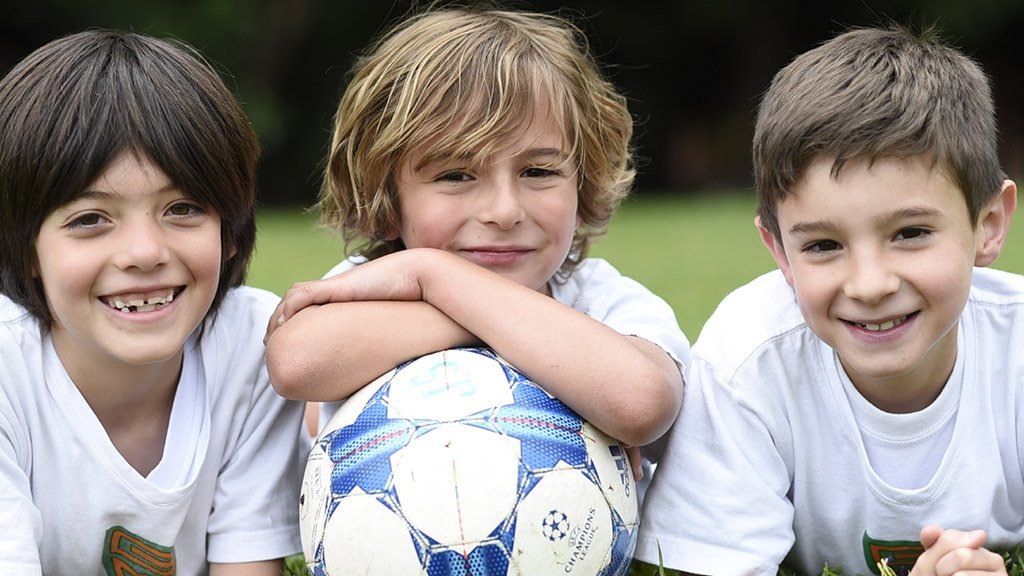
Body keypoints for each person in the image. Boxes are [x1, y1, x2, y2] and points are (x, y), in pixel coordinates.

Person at [635, 25, 1022, 576]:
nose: (869, 285)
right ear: (781, 254)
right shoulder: (748, 364)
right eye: (823, 245)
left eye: (910, 233)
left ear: (987, 225)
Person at [263, 6, 689, 485]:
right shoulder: (368, 285)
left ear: (583, 184)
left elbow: (641, 403)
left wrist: (435, 276)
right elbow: (296, 362)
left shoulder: (606, 301)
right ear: (386, 197)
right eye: (456, 175)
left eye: (538, 172)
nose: (504, 210)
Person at [0, 30, 304, 575]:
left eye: (182, 208)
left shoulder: (258, 349)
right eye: (90, 219)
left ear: (230, 231)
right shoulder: (7, 371)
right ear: (25, 252)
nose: (144, 252)